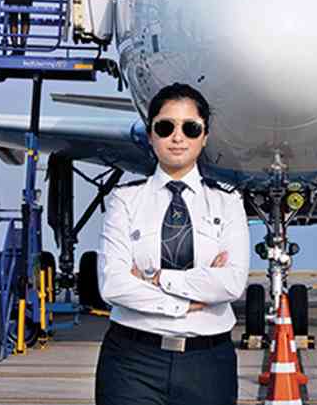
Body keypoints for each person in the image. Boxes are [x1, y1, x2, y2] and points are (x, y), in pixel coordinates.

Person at [94, 83, 249, 405]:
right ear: (150, 135)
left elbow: (231, 283)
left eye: (190, 128)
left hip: (207, 365)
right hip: (132, 362)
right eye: (165, 127)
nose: (178, 137)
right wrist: (186, 302)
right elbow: (113, 285)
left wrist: (156, 279)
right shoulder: (125, 199)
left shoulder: (227, 201)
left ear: (205, 136)